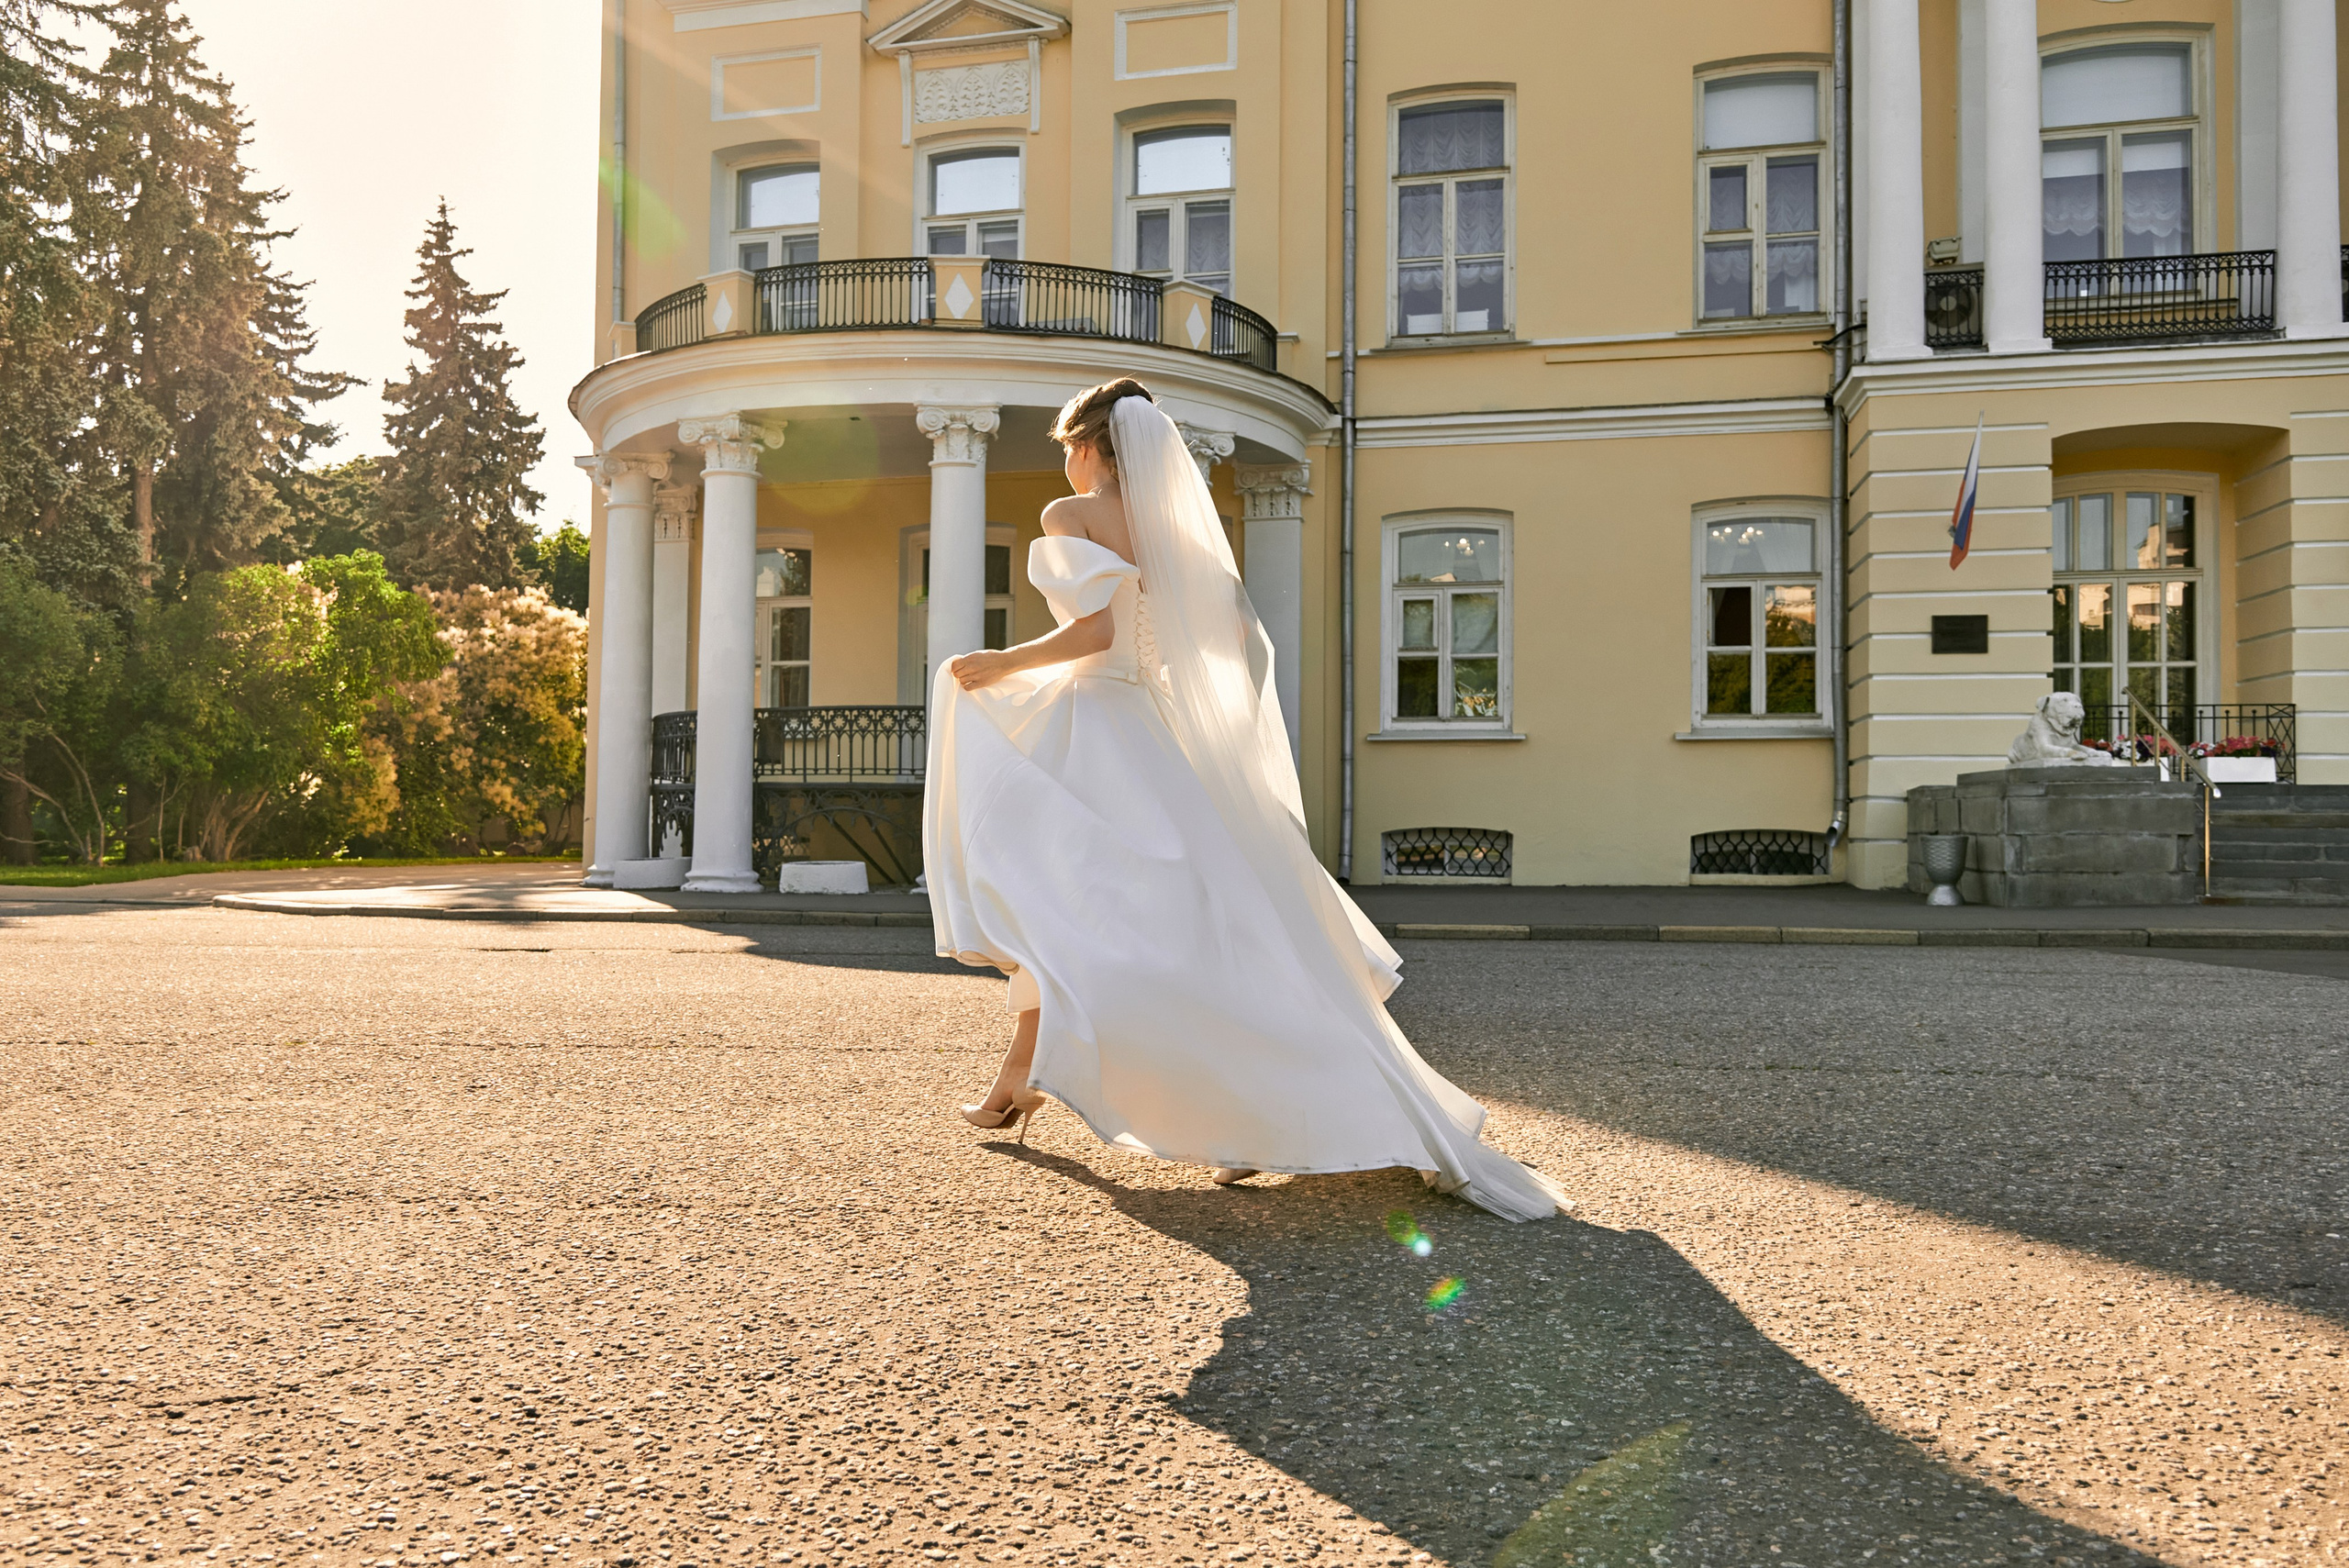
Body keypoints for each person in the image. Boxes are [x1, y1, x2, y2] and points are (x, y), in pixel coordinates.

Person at [922, 378, 1568, 1222]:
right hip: (1156, 734)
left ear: (1087, 446)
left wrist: (999, 663)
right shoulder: (1179, 528)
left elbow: (1096, 633)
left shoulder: (1069, 514)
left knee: (1067, 910)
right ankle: (1022, 1078)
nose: (1066, 463)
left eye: (1066, 448)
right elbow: (1230, 641)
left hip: (1096, 730)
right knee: (1117, 920)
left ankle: (1179, 1103)